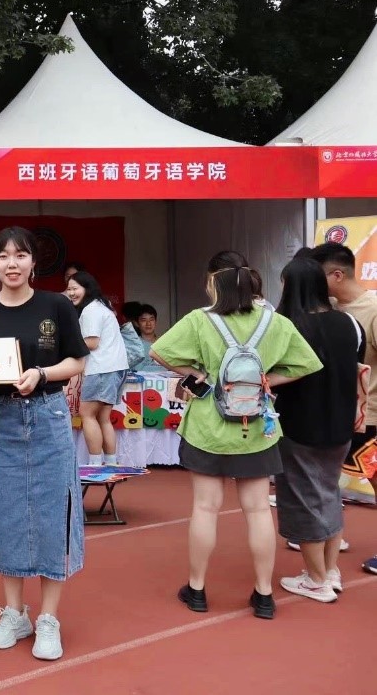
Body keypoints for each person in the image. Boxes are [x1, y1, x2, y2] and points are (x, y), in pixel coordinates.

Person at [151, 250, 320, 621]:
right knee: (258, 510)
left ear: (214, 281)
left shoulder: (200, 320)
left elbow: (159, 351)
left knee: (205, 508)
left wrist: (199, 374)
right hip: (257, 426)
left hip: (207, 427)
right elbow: (307, 363)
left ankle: (197, 589)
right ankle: (264, 595)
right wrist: (266, 381)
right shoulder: (275, 322)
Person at [0, 226, 88, 662]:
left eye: (20, 255)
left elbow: (77, 360)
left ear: (34, 262)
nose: (11, 263)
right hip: (1, 419)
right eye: (3, 256)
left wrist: (41, 373)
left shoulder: (56, 305)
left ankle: (49, 618)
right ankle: (14, 613)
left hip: (49, 416)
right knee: (6, 513)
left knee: (55, 512)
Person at [273, 257, 364, 602]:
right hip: (341, 424)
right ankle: (330, 571)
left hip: (299, 425)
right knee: (328, 495)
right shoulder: (349, 322)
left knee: (302, 500)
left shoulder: (286, 325)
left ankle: (316, 579)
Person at [308, 242, 377, 576]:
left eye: (317, 276)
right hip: (336, 414)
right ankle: (326, 539)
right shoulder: (328, 309)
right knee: (325, 481)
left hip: (371, 415)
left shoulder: (373, 309)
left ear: (336, 275)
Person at [66, 272, 129, 465]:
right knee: (103, 418)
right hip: (115, 368)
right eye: (69, 289)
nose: (71, 293)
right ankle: (110, 462)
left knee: (87, 415)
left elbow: (92, 343)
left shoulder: (90, 310)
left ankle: (94, 464)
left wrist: (67, 345)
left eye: (75, 288)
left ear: (87, 288)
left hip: (101, 369)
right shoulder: (103, 306)